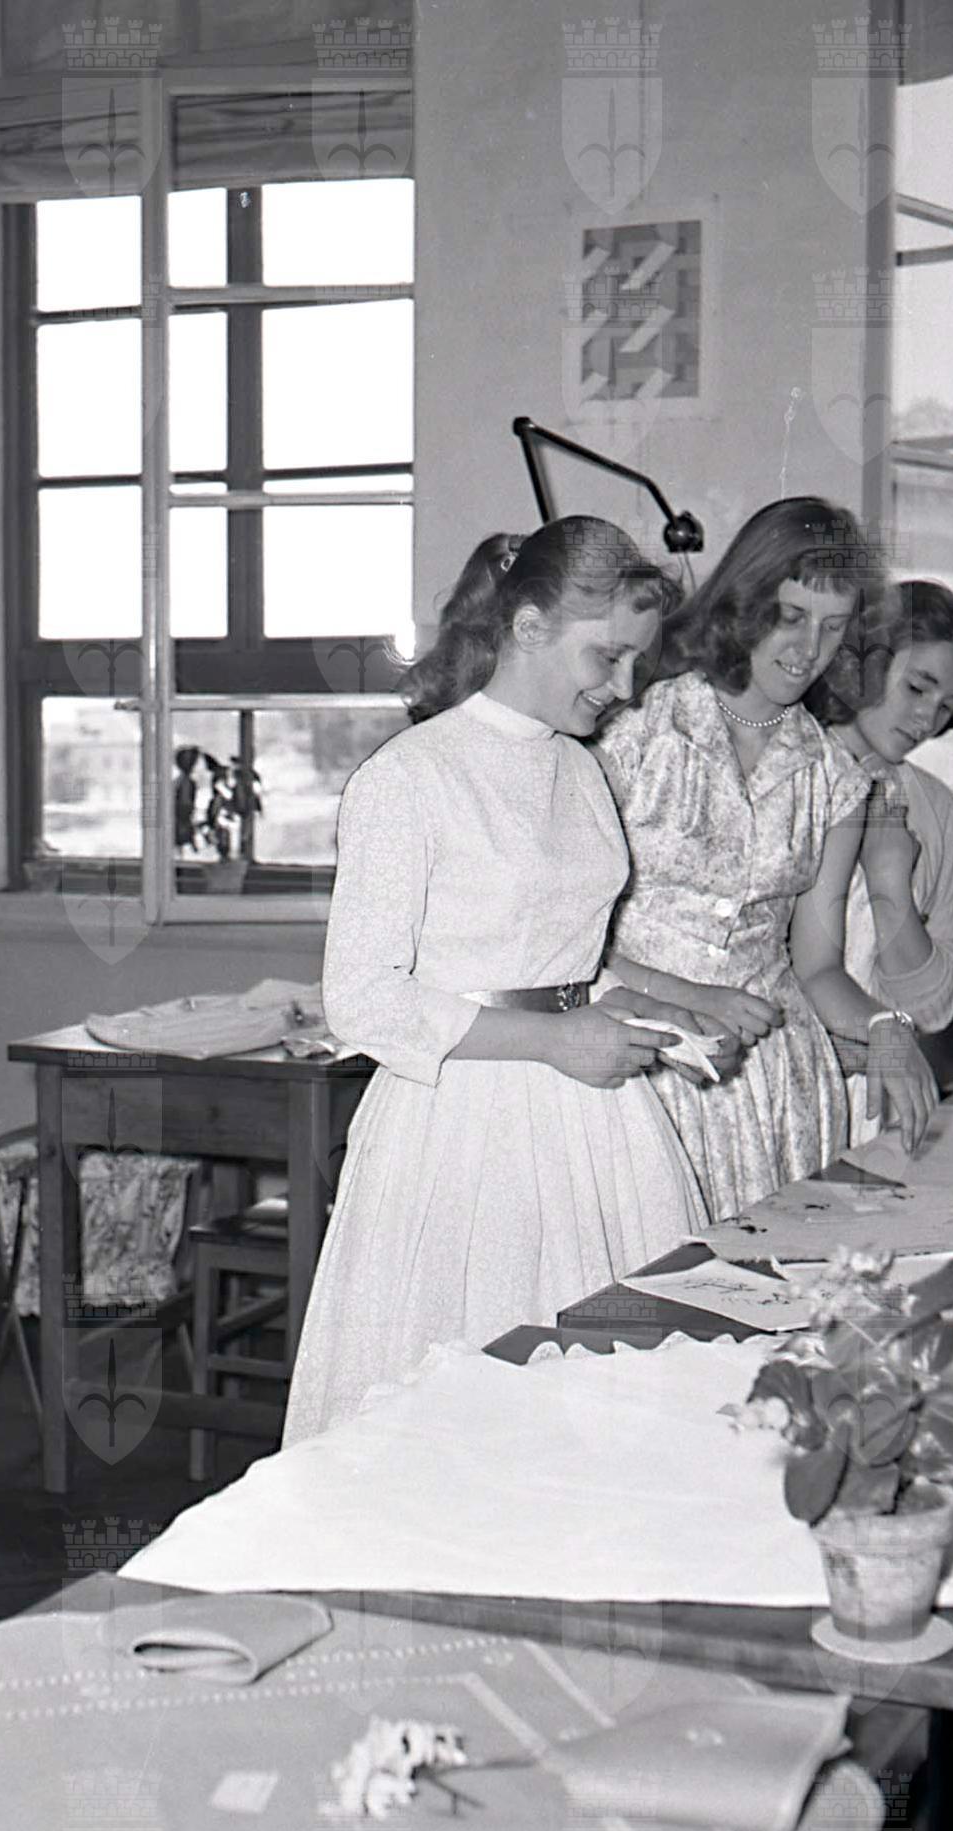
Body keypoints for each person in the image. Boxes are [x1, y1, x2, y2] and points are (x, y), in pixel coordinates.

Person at [282, 517, 729, 1446]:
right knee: (469, 1407)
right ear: (528, 627)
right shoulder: (411, 777)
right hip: (462, 1124)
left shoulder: (581, 769)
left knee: (608, 1412)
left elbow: (552, 958)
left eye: (637, 662)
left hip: (595, 1127)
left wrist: (629, 1008)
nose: (624, 688)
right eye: (607, 657)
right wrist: (558, 1039)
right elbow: (363, 998)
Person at [596, 497, 939, 1224]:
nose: (809, 648)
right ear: (746, 603)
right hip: (635, 1062)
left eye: (833, 626)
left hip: (772, 1088)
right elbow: (569, 939)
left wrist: (887, 1027)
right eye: (791, 616)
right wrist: (677, 996)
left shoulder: (835, 778)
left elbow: (817, 966)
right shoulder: (634, 730)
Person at [807, 580, 953, 1144]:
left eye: (949, 707)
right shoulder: (789, 774)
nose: (927, 719)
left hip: (875, 1110)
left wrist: (891, 884)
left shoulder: (935, 809)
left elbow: (931, 1007)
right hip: (774, 1094)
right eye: (917, 687)